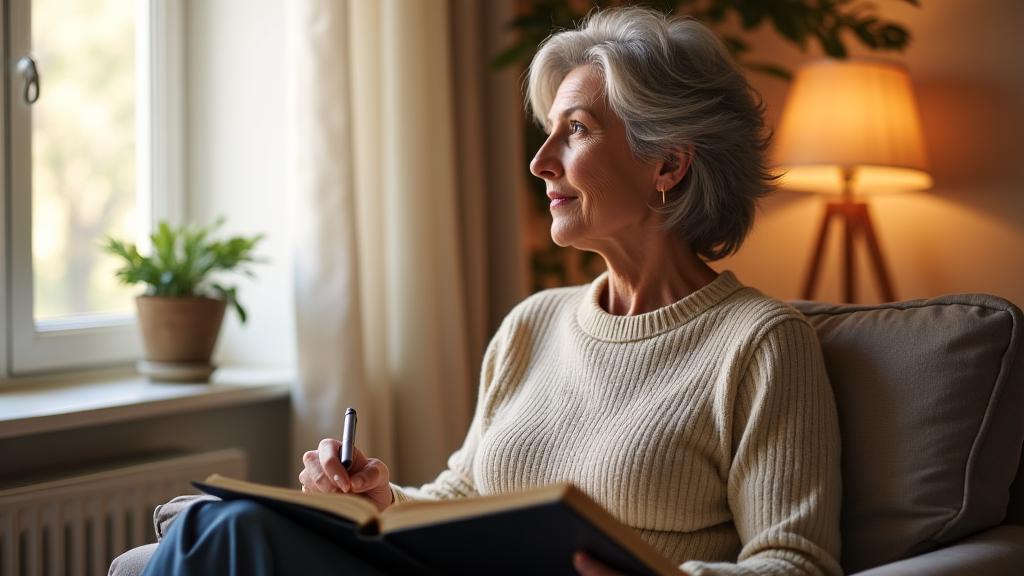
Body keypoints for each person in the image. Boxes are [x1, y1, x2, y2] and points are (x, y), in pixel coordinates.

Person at [142, 6, 841, 575]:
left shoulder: (759, 343)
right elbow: (465, 499)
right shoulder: (533, 324)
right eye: (549, 134)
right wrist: (379, 497)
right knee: (222, 522)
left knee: (227, 532)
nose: (540, 163)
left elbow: (795, 563)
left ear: (668, 163)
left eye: (576, 131)